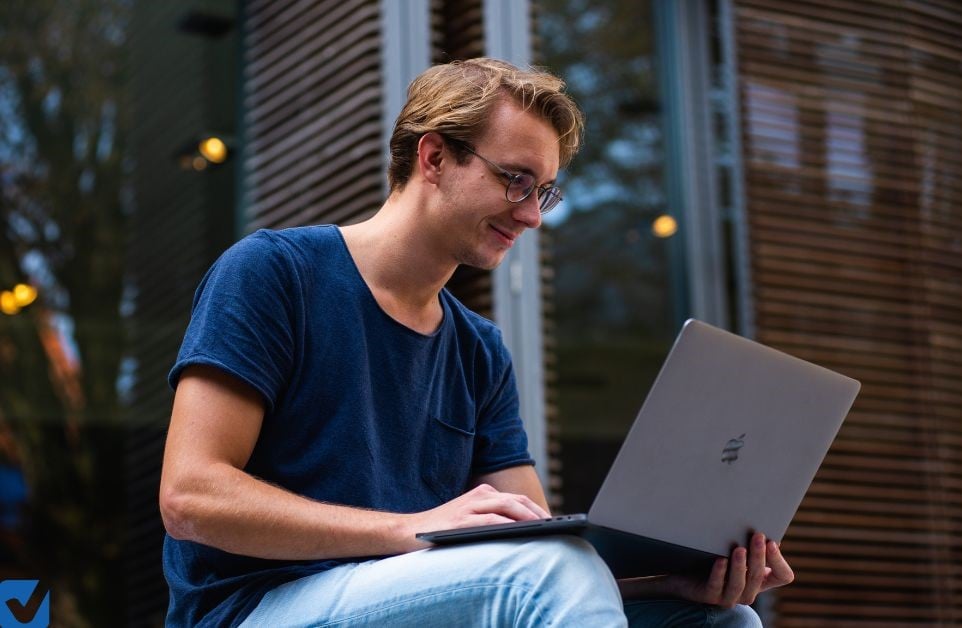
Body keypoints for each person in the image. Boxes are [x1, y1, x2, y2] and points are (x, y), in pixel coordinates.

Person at [159, 57, 793, 627]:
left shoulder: (478, 350)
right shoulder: (275, 272)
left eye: (543, 191)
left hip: (414, 598)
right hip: (255, 608)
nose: (532, 215)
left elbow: (539, 547)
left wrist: (670, 580)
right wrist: (412, 529)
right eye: (516, 180)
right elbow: (190, 497)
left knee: (720, 623)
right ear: (433, 158)